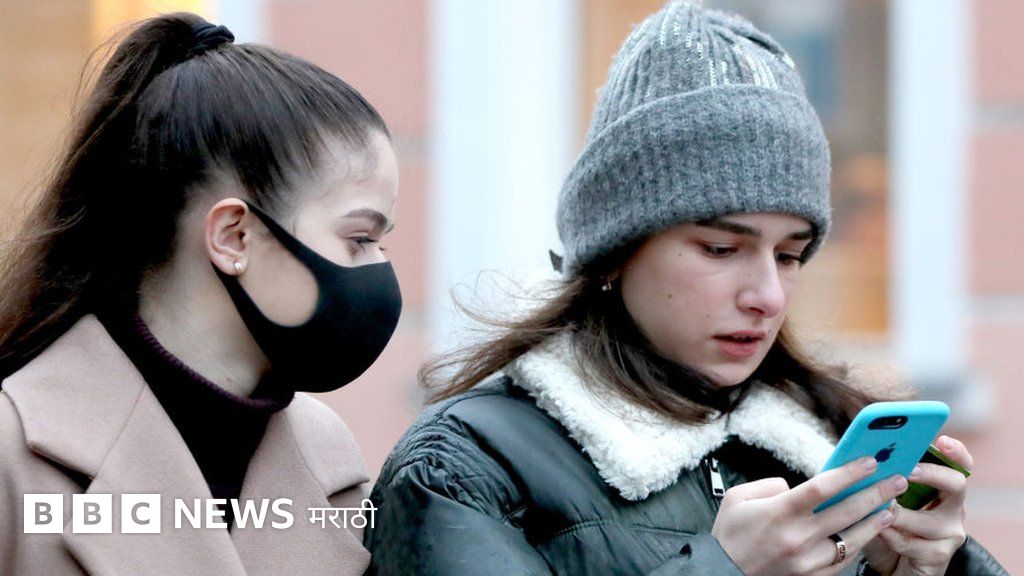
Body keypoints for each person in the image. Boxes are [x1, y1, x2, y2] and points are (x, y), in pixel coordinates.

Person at [364, 2, 1007, 575]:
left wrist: (929, 571)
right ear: (615, 253)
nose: (768, 296)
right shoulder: (461, 467)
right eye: (721, 249)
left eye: (790, 255)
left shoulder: (825, 448)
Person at [0, 13, 400, 576]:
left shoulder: (329, 461)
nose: (379, 269)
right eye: (358, 239)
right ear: (234, 236)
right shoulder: (15, 452)